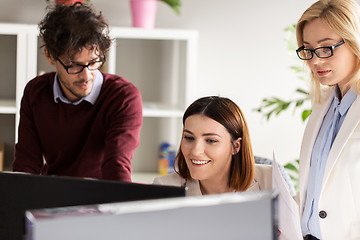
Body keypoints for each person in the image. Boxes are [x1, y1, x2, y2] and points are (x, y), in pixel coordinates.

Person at [12, 3, 143, 182]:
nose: (86, 75)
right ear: (50, 56)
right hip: (53, 195)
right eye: (73, 65)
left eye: (94, 62)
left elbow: (117, 166)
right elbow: (26, 165)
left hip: (102, 196)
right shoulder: (36, 92)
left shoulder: (123, 97)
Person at [295, 0, 360, 239]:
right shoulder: (323, 105)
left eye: (326, 48)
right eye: (307, 49)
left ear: (355, 42)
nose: (314, 61)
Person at [153, 96, 272, 196]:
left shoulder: (269, 180)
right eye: (189, 138)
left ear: (236, 146)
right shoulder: (164, 188)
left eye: (210, 140)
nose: (195, 151)